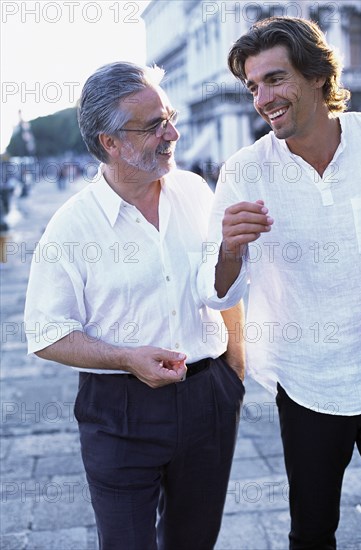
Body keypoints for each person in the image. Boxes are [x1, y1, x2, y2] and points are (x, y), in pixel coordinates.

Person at [24, 61, 245, 550]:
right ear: (110, 141)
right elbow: (46, 333)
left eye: (169, 116)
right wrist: (125, 358)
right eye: (154, 125)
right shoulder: (70, 227)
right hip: (119, 411)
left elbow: (222, 280)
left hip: (209, 397)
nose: (173, 133)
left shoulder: (194, 190)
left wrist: (234, 371)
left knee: (195, 541)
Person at [197, 16, 361, 550]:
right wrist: (229, 248)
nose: (262, 99)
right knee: (313, 531)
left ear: (318, 75)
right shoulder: (245, 170)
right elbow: (215, 291)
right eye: (253, 86)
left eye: (275, 79)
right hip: (308, 379)